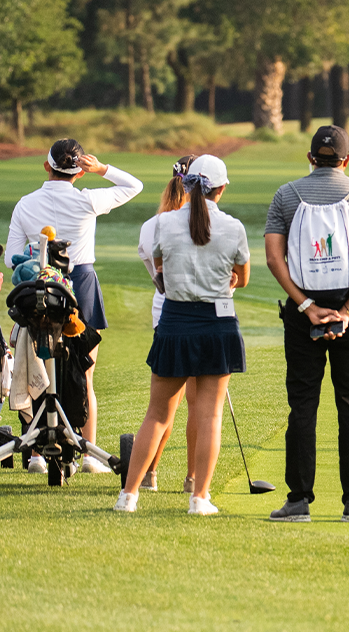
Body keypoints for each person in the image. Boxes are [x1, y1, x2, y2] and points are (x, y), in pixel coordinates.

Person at [263, 126, 349, 523]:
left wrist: (305, 307)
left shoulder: (286, 195)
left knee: (303, 405)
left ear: (310, 157)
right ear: (347, 159)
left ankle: (298, 501)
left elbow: (273, 258)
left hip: (304, 315)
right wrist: (348, 311)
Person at [114, 155, 249, 515]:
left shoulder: (162, 224)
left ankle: (128, 496)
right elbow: (243, 277)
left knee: (156, 414)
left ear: (186, 185)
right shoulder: (233, 227)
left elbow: (159, 271)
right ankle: (199, 498)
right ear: (220, 189)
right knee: (208, 415)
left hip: (174, 322)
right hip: (217, 323)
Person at [6, 138, 143, 473]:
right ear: (78, 172)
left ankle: (37, 453)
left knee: (40, 367)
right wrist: (101, 169)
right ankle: (89, 456)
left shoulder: (25, 203)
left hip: (39, 288)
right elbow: (134, 185)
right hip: (80, 286)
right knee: (84, 373)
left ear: (47, 167)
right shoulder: (88, 200)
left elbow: (11, 257)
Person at [134, 156, 199, 494]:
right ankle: (192, 480)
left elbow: (157, 277)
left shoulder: (152, 225)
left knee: (163, 406)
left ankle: (149, 474)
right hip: (201, 317)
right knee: (199, 406)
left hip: (165, 315)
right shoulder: (210, 223)